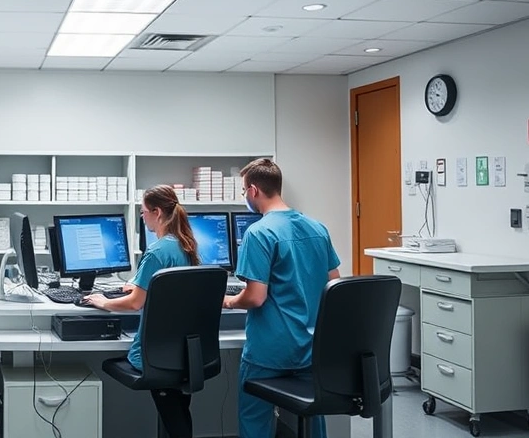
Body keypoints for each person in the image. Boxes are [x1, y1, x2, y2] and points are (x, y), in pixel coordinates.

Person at [223, 158, 341, 438]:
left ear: (253, 191)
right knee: (312, 416)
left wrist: (228, 301)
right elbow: (334, 282)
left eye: (243, 191)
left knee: (254, 418)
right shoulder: (317, 227)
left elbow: (255, 297)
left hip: (271, 351)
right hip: (312, 347)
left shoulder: (258, 232)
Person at [84, 184, 200, 438]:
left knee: (172, 415)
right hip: (185, 352)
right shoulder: (186, 245)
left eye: (143, 211)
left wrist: (103, 302)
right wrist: (138, 284)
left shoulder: (157, 252)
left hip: (157, 355)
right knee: (177, 411)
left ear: (157, 212)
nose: (142, 217)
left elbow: (135, 303)